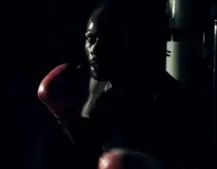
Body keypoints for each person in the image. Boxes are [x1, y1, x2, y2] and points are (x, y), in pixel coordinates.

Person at [38, 2, 200, 169]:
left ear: (127, 41)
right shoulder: (105, 92)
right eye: (90, 39)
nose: (94, 48)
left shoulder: (159, 96)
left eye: (107, 38)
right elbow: (91, 143)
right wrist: (63, 114)